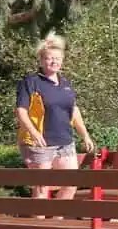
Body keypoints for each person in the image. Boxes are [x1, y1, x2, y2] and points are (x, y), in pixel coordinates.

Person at [15, 33, 94, 201]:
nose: (54, 62)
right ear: (42, 60)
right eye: (50, 58)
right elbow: (21, 111)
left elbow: (73, 111)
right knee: (42, 188)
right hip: (40, 142)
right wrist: (34, 133)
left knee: (71, 184)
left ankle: (57, 222)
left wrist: (85, 135)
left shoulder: (65, 84)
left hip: (65, 142)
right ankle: (39, 225)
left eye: (57, 58)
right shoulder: (31, 81)